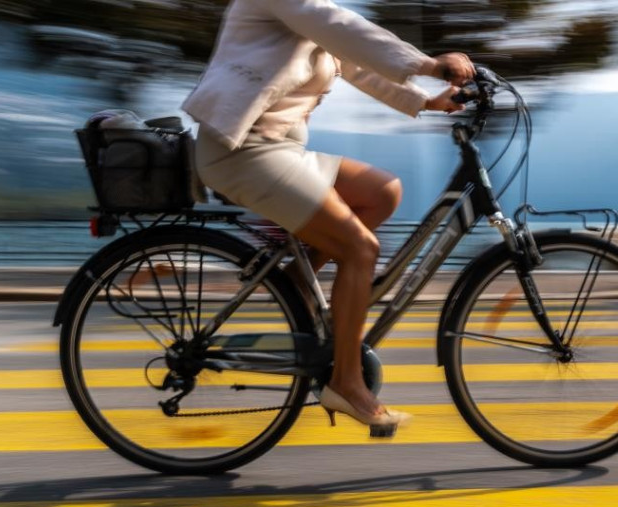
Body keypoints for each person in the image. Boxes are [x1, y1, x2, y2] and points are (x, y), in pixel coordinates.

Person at [183, 0, 474, 428]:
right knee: (359, 249)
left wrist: (426, 102)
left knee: (382, 192)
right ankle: (346, 383)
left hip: (281, 149)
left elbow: (355, 64)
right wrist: (428, 64)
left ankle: (295, 285)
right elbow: (340, 26)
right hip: (241, 152)